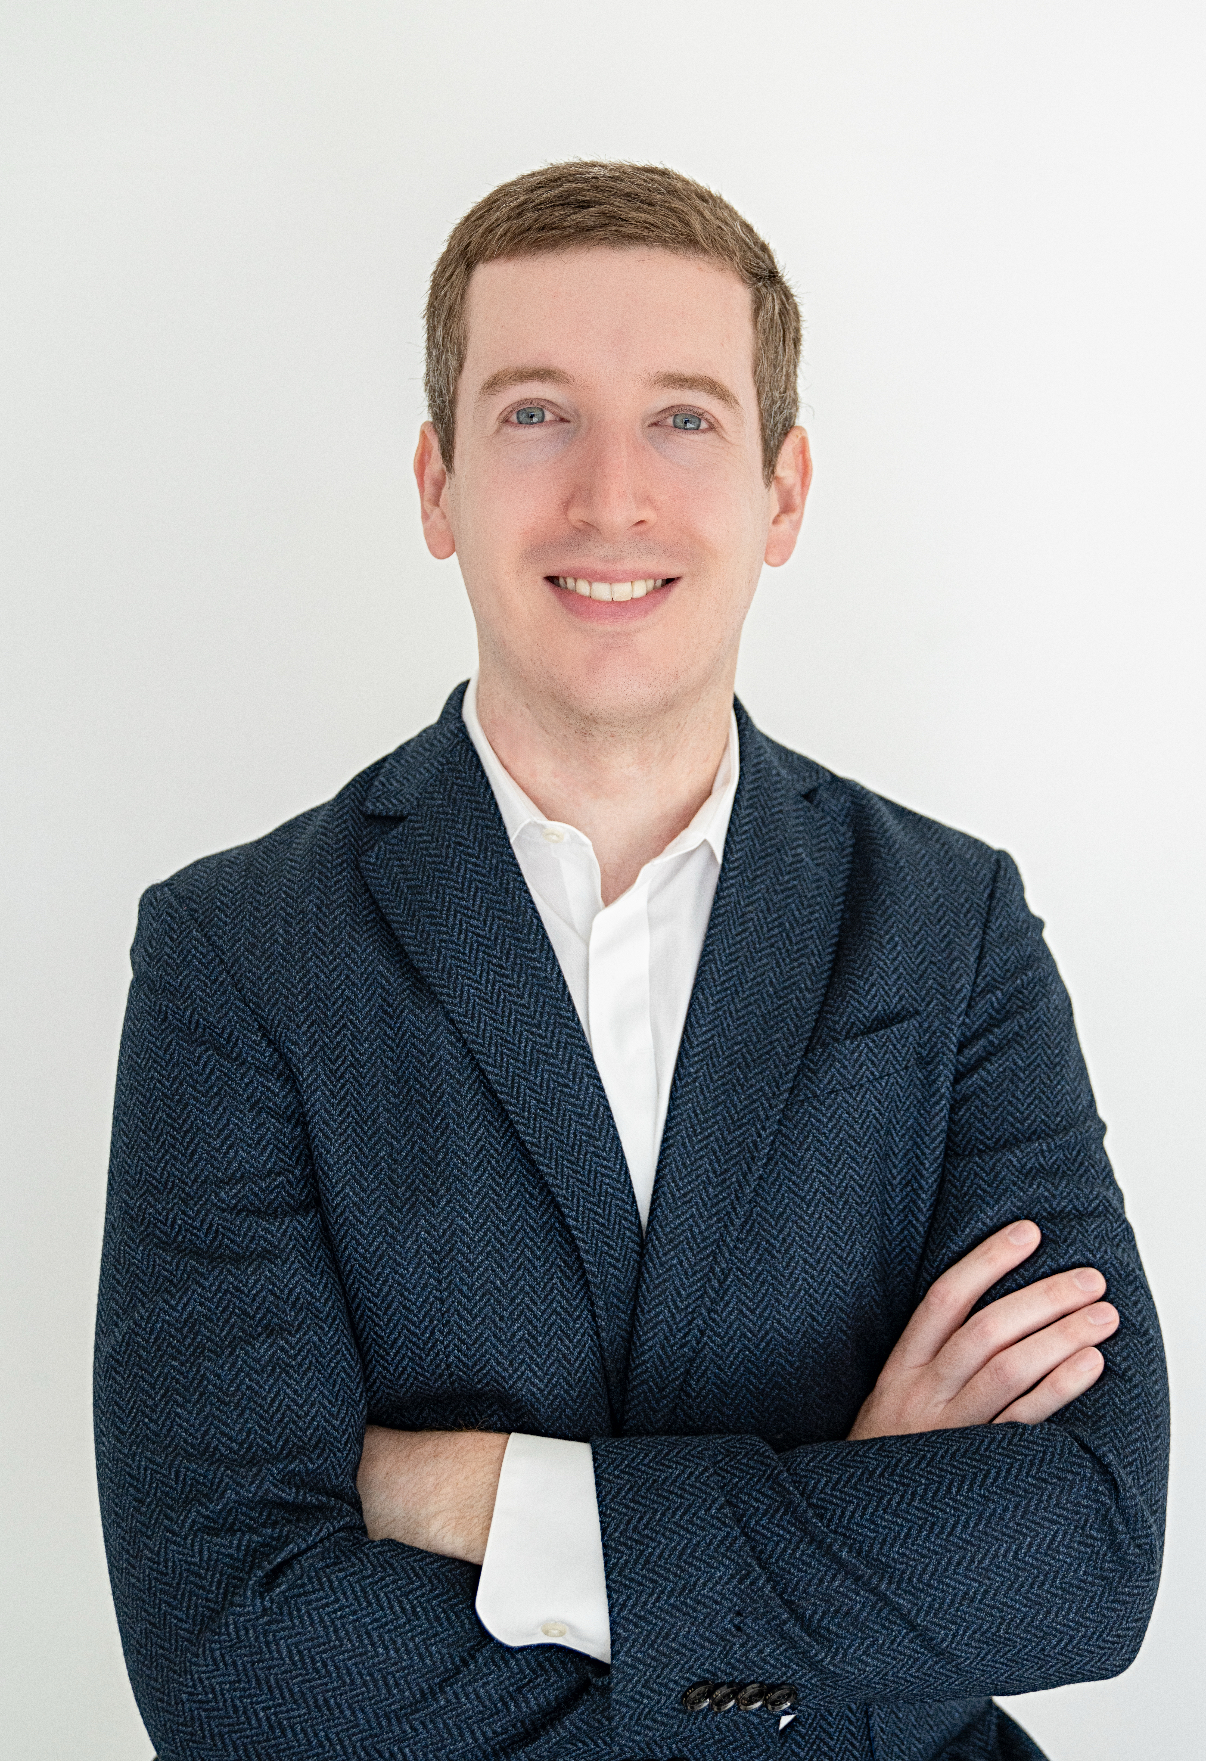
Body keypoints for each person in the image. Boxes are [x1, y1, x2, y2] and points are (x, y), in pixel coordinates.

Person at [94, 162, 1168, 1761]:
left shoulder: (951, 925)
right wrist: (854, 1559)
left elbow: (1083, 1544)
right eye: (535, 414)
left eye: (681, 417)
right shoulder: (236, 956)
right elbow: (236, 1663)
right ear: (435, 482)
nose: (610, 496)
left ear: (781, 491)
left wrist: (477, 1493)